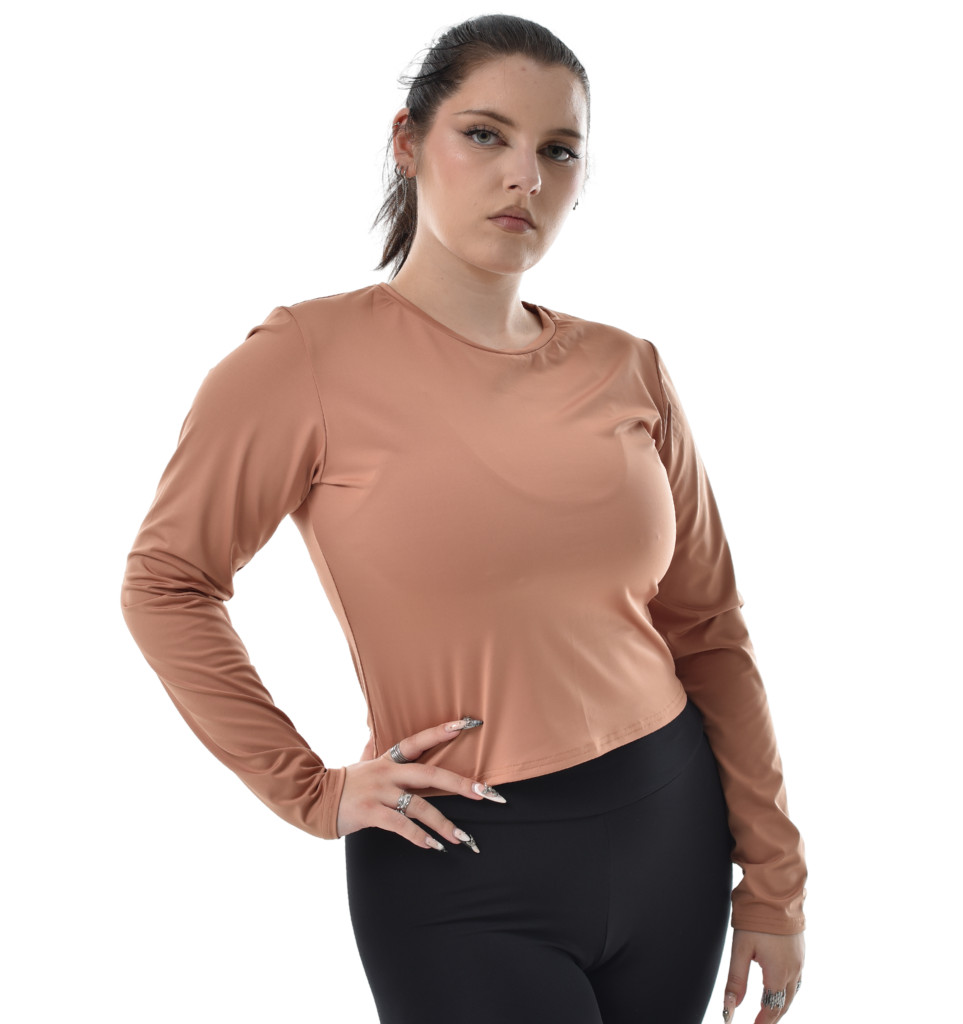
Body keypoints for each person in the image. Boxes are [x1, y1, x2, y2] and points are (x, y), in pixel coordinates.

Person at [120, 13, 807, 1024]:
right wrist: (311, 789)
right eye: (485, 135)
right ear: (408, 143)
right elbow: (166, 583)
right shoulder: (301, 361)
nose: (524, 176)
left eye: (558, 150)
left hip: (672, 830)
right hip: (458, 865)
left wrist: (776, 881)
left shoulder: (628, 367)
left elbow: (708, 628)